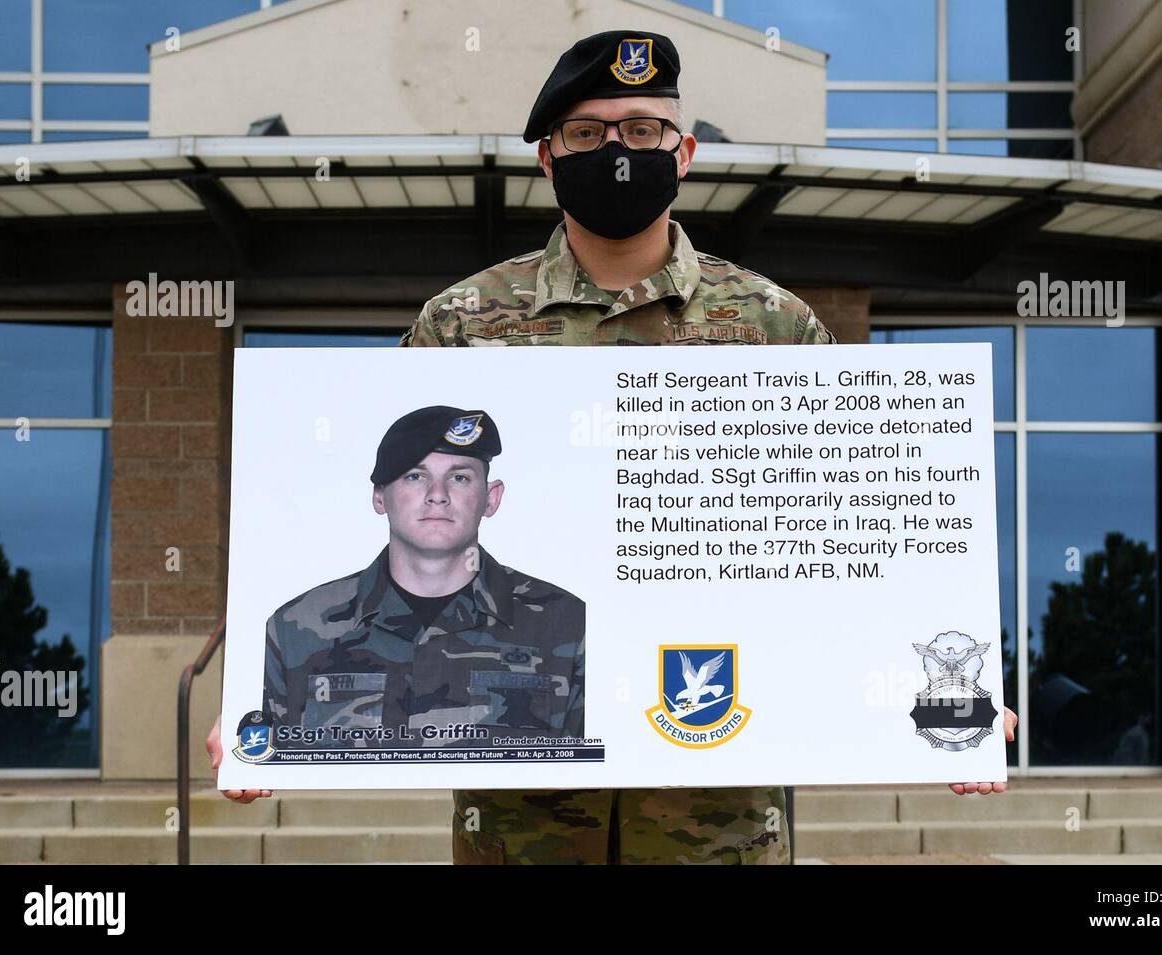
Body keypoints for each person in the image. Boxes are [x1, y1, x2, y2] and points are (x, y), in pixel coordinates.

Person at [209, 28, 1018, 861]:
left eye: (641, 129)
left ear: (686, 152)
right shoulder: (461, 324)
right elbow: (368, 529)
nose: (617, 151)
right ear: (549, 159)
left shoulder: (775, 326)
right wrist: (261, 699)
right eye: (588, 134)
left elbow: (860, 529)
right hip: (524, 824)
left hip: (719, 818)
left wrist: (955, 694)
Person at [207, 406, 585, 775]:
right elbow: (257, 742)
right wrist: (241, 745)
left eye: (460, 477)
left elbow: (604, 761)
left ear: (491, 498)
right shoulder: (296, 628)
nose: (437, 495)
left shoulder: (567, 624)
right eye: (414, 476)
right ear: (379, 496)